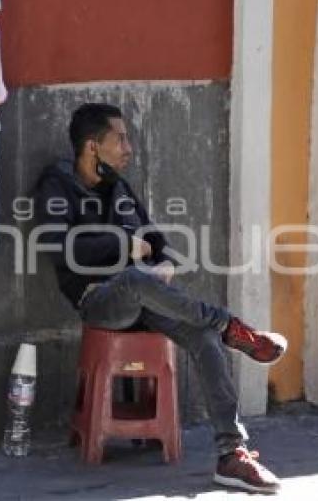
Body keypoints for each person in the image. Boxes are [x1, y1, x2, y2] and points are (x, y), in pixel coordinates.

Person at [34, 103, 287, 494]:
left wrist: (163, 263)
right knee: (139, 280)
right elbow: (57, 244)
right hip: (98, 300)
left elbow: (157, 242)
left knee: (202, 340)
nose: (129, 148)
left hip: (147, 299)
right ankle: (227, 325)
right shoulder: (57, 184)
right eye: (120, 138)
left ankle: (232, 454)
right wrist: (125, 246)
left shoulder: (117, 186)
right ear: (92, 147)